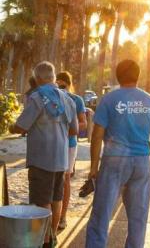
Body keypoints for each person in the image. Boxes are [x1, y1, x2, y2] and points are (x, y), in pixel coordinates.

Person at [85, 60, 150, 247]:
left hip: (114, 161)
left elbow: (97, 135)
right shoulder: (149, 100)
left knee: (101, 215)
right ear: (137, 76)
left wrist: (94, 168)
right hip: (141, 162)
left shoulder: (109, 99)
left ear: (118, 76)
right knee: (138, 218)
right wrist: (148, 145)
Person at [9, 62, 78, 247]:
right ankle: (52, 236)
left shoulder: (37, 97)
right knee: (56, 199)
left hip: (41, 159)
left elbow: (22, 125)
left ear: (38, 78)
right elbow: (74, 130)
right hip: (61, 159)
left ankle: (43, 241)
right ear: (54, 77)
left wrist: (12, 126)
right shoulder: (68, 99)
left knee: (41, 202)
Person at [56, 71, 87, 229]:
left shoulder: (76, 99)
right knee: (53, 178)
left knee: (65, 179)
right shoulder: (51, 98)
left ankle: (62, 216)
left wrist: (66, 128)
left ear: (68, 85)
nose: (60, 87)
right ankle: (52, 216)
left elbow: (83, 123)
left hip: (69, 144)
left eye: (62, 84)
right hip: (53, 144)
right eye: (57, 84)